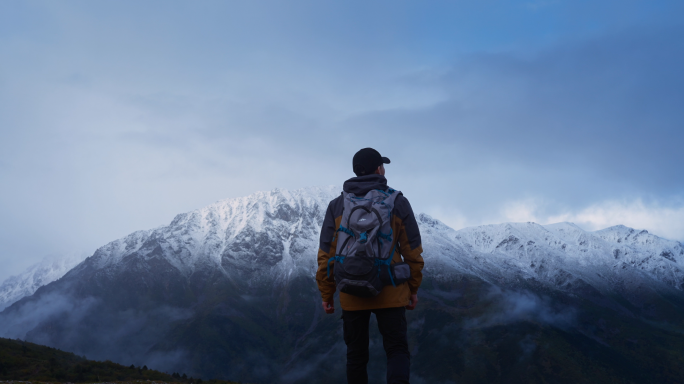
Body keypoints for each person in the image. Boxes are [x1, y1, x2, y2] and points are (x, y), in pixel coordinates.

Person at [316, 147, 425, 384]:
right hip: (391, 288)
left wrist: (327, 293)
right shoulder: (398, 202)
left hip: (351, 288)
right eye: (382, 165)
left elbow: (326, 254)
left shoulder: (337, 206)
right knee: (396, 350)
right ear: (379, 169)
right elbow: (413, 252)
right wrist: (413, 289)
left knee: (356, 356)